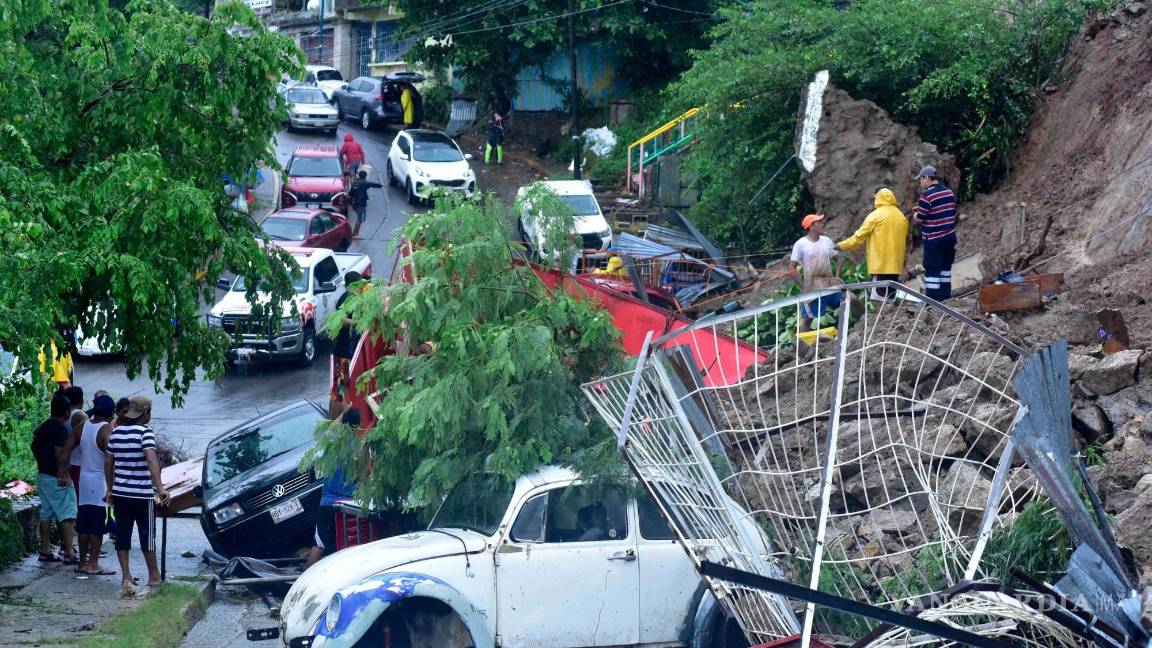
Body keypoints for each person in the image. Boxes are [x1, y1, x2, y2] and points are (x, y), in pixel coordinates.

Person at [106, 395, 170, 596]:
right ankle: (154, 576)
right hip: (142, 495)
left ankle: (126, 577)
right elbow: (151, 460)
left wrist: (110, 488)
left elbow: (108, 463)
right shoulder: (145, 433)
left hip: (121, 494)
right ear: (146, 412)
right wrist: (160, 488)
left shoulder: (115, 434)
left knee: (123, 535)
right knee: (147, 535)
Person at [304, 408, 361, 570]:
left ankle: (303, 582)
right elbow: (362, 476)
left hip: (328, 503)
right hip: (349, 507)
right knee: (348, 547)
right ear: (358, 426)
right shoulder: (358, 447)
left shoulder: (331, 440)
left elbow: (330, 428)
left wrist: (346, 410)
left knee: (318, 545)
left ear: (342, 423)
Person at [835, 188, 909, 299]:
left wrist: (840, 245)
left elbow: (858, 237)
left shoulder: (875, 216)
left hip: (880, 264)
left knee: (878, 297)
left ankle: (879, 316)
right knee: (890, 297)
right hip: (895, 265)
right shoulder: (901, 217)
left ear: (878, 199)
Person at [31, 393, 78, 564]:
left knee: (46, 514)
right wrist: (63, 475)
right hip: (56, 478)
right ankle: (69, 553)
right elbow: (61, 455)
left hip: (43, 476)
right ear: (66, 412)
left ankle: (45, 551)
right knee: (66, 514)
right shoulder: (59, 429)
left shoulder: (43, 427)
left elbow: (35, 443)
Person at [76, 395, 115, 575]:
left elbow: (66, 448)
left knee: (84, 524)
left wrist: (62, 472)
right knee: (97, 526)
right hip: (99, 481)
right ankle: (94, 564)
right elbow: (109, 460)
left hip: (84, 480)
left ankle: (82, 563)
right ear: (111, 413)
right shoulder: (107, 428)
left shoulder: (83, 426)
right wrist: (111, 486)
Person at [912, 165, 958, 300]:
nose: (920, 182)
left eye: (921, 179)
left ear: (927, 178)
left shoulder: (926, 196)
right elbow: (943, 211)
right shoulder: (949, 192)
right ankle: (946, 297)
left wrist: (915, 214)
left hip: (934, 239)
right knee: (945, 268)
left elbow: (920, 218)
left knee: (932, 269)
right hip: (950, 237)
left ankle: (933, 300)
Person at [789, 214, 841, 332]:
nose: (822, 224)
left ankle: (859, 324)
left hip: (830, 285)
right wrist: (803, 287)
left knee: (849, 299)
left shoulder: (827, 240)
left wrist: (837, 276)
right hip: (813, 288)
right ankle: (800, 346)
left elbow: (838, 259)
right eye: (819, 222)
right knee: (807, 319)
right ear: (811, 227)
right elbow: (791, 268)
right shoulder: (800, 244)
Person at [328, 271, 364, 417]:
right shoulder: (347, 299)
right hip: (343, 353)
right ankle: (333, 419)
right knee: (340, 390)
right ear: (355, 284)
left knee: (345, 387)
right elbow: (340, 320)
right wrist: (358, 323)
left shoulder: (354, 298)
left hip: (348, 353)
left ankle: (340, 418)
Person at [347, 171, 382, 240]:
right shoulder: (364, 183)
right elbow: (372, 184)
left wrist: (350, 203)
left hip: (355, 204)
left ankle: (354, 233)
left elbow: (350, 194)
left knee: (358, 218)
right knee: (360, 219)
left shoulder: (355, 183)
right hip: (361, 203)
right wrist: (380, 185)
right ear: (365, 176)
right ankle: (356, 234)